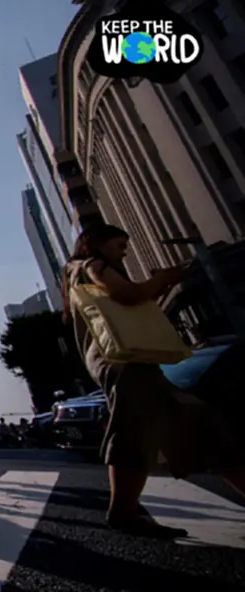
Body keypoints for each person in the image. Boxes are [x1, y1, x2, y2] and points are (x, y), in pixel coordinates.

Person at [62, 223, 245, 537]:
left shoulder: (74, 274)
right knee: (138, 429)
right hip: (123, 360)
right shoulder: (92, 265)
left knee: (197, 422)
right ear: (98, 244)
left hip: (126, 360)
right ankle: (122, 514)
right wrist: (163, 279)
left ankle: (123, 513)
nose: (123, 253)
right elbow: (126, 294)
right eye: (119, 245)